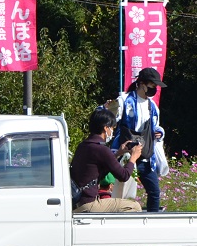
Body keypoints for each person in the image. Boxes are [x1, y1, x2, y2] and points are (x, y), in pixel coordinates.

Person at [107, 67, 167, 212]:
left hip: (144, 156)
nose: (155, 89)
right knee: (119, 193)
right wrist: (109, 109)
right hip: (124, 154)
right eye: (153, 85)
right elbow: (109, 121)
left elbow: (156, 127)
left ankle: (152, 223)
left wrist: (159, 133)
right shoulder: (124, 101)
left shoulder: (152, 107)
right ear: (141, 83)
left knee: (154, 191)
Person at [71, 109, 143, 213]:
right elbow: (124, 176)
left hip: (78, 203)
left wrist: (118, 153)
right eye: (112, 128)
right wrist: (133, 158)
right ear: (106, 128)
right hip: (89, 204)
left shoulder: (83, 146)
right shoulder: (102, 149)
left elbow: (98, 172)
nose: (112, 131)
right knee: (133, 206)